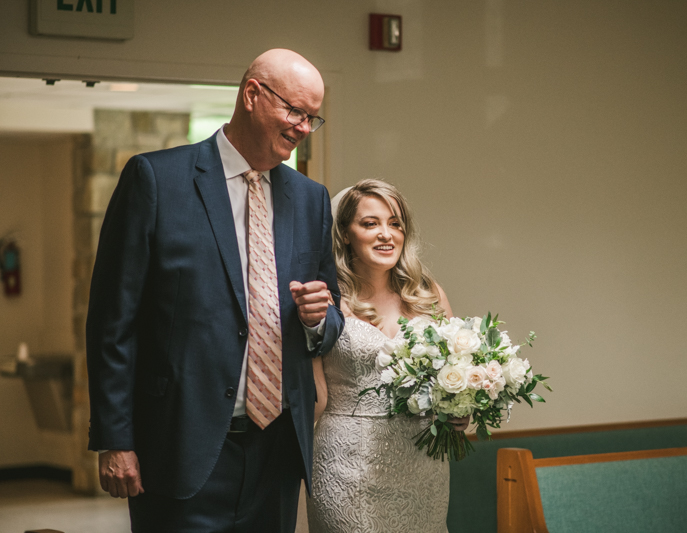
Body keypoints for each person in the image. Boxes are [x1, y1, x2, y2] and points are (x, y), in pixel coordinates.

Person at [85, 49, 344, 533]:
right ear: (252, 94)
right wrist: (115, 439)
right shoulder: (156, 180)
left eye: (313, 118)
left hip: (278, 453)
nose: (304, 128)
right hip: (182, 450)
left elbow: (330, 322)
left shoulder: (311, 199)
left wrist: (317, 319)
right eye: (295, 112)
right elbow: (112, 322)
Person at [306, 179, 467, 533]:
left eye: (395, 223)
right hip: (347, 466)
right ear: (345, 233)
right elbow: (314, 396)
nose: (386, 234)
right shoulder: (327, 299)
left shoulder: (427, 294)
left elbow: (458, 372)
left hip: (422, 465)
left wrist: (460, 411)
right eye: (370, 223)